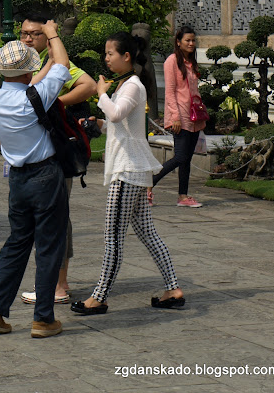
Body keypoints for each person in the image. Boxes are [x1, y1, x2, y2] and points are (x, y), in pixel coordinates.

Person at [70, 31, 184, 315]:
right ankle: (173, 288)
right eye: (106, 54)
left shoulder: (131, 85)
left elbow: (118, 113)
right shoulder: (126, 85)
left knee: (113, 237)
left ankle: (99, 296)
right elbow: (119, 123)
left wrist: (100, 93)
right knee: (147, 232)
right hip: (132, 168)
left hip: (127, 171)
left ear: (127, 56)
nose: (106, 58)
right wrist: (99, 121)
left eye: (110, 53)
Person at [0, 28, 71, 339]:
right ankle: (43, 318)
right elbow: (62, 67)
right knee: (48, 246)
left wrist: (32, 67)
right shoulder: (36, 97)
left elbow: (34, 79)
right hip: (45, 175)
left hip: (17, 179)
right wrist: (54, 35)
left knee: (16, 243)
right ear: (28, 69)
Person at [19, 14, 98, 305]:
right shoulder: (29, 63)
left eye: (35, 34)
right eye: (24, 33)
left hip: (56, 152)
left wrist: (54, 104)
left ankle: (59, 285)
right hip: (38, 153)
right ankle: (53, 282)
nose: (28, 39)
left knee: (57, 218)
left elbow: (88, 85)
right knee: (45, 218)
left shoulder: (53, 60)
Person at [151, 25, 205, 207]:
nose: (191, 43)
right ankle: (148, 184)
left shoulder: (191, 62)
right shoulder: (171, 61)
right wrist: (174, 116)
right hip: (180, 116)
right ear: (178, 42)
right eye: (187, 40)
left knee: (187, 159)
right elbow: (170, 91)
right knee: (180, 157)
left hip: (194, 117)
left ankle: (183, 196)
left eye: (193, 40)